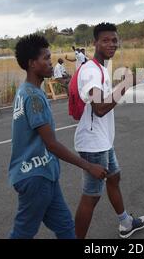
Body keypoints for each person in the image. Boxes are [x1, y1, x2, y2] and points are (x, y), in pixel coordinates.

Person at [9, 34, 107, 239]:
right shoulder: (34, 97)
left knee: (66, 230)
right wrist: (89, 166)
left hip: (45, 174)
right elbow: (51, 144)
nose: (50, 62)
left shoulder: (26, 90)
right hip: (35, 176)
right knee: (23, 233)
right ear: (31, 64)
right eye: (46, 58)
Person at [74, 23, 144, 239]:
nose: (111, 44)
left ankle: (126, 223)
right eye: (105, 40)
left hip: (103, 140)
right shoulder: (90, 70)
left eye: (114, 40)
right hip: (93, 143)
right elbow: (100, 108)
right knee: (91, 197)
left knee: (114, 178)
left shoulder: (101, 68)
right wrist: (125, 84)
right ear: (94, 43)